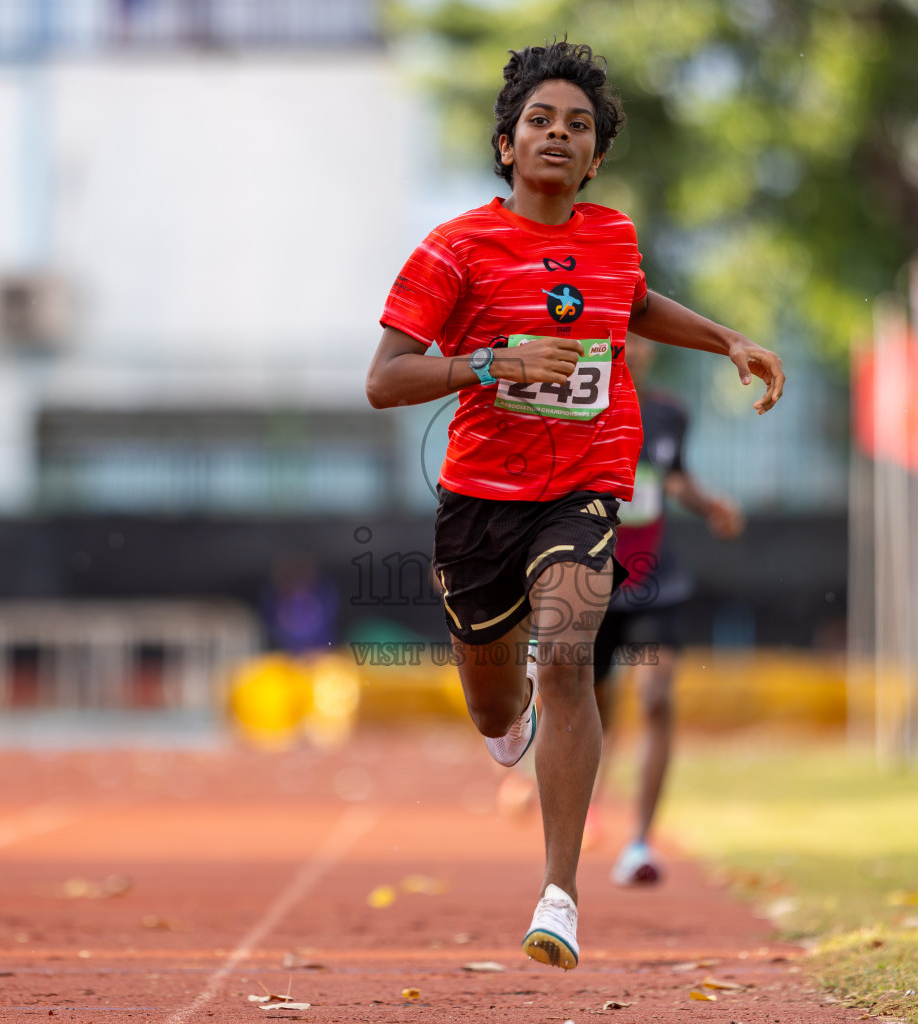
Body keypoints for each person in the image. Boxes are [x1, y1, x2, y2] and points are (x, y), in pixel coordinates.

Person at [366, 40, 784, 970]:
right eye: (540, 122)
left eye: (578, 126)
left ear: (595, 158)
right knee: (491, 706)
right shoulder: (454, 248)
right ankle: (501, 719)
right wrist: (490, 363)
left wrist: (728, 341)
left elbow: (631, 305)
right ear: (507, 145)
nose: (559, 135)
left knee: (566, 658)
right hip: (479, 497)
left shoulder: (612, 235)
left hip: (588, 481)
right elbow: (384, 380)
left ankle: (560, 892)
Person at [591, 334, 743, 887]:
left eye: (641, 340)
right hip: (589, 580)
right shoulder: (580, 407)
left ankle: (639, 842)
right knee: (590, 706)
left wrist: (711, 505)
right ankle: (577, 795)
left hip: (656, 579)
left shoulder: (668, 413)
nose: (634, 349)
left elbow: (672, 474)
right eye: (621, 340)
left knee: (654, 695)